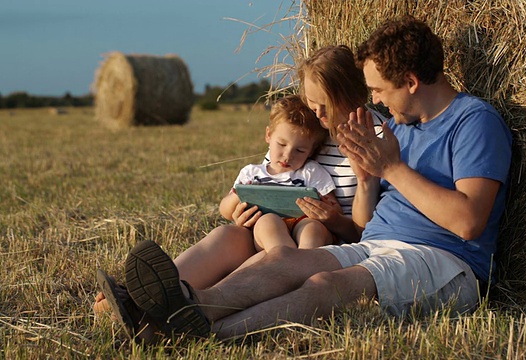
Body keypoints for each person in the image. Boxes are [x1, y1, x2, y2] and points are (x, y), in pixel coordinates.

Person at [108, 15, 513, 342]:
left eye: (379, 89)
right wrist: (370, 179)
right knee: (285, 261)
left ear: (410, 81)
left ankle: (204, 334)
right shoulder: (398, 130)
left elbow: (468, 221)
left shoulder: (473, 122)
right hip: (375, 245)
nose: (373, 100)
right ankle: (186, 305)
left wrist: (391, 168)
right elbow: (365, 223)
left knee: (323, 285)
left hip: (444, 263)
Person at [93, 45, 384, 320]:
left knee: (281, 253)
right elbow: (270, 176)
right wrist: (239, 212)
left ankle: (190, 304)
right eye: (310, 102)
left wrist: (334, 220)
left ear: (351, 94)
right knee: (228, 235)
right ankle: (136, 298)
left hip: (322, 243)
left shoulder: (378, 136)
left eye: (325, 105)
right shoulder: (308, 130)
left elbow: (367, 232)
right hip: (274, 228)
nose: (316, 113)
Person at [220, 94, 337, 252]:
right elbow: (225, 211)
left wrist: (326, 207)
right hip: (266, 226)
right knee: (268, 222)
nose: (288, 155)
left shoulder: (311, 171)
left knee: (312, 228)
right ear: (268, 135)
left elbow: (335, 209)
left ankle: (306, 261)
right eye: (281, 144)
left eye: (300, 150)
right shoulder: (251, 173)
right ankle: (283, 258)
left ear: (311, 151)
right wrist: (238, 195)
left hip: (301, 221)